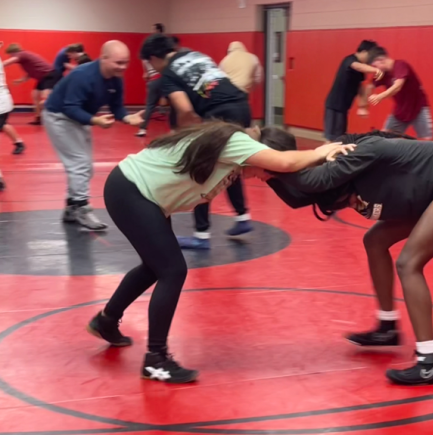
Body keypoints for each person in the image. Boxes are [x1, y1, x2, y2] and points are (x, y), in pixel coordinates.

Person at [86, 120, 353, 383]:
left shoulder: (233, 155)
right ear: (262, 151)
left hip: (141, 193)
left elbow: (289, 184)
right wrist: (320, 151)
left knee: (154, 267)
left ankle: (107, 321)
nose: (264, 177)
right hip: (131, 190)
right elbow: (283, 162)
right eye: (266, 170)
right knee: (172, 271)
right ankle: (156, 360)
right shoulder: (237, 143)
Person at [247, 130, 433, 386]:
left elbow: (316, 182)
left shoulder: (356, 152)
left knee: (409, 263)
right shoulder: (335, 160)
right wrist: (269, 173)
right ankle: (387, 329)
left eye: (267, 164)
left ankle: (429, 363)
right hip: (432, 189)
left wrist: (271, 168)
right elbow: (299, 197)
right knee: (375, 241)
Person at [140, 33, 255, 250]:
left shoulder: (169, 74)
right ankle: (242, 218)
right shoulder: (196, 55)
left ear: (154, 58)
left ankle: (201, 235)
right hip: (241, 106)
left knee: (200, 170)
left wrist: (183, 134)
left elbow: (184, 108)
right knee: (231, 163)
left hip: (218, 114)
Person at [43, 40, 144, 231]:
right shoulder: (83, 75)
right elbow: (70, 107)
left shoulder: (116, 78)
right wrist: (96, 121)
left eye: (126, 62)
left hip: (80, 118)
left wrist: (127, 117)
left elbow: (116, 106)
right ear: (103, 58)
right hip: (59, 117)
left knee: (85, 166)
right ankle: (82, 207)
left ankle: (72, 207)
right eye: (118, 63)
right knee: (79, 163)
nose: (123, 67)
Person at [367, 46, 433, 140]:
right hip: (401, 111)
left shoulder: (400, 65)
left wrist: (379, 96)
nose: (376, 70)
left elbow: (397, 86)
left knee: (427, 140)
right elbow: (370, 86)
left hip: (418, 108)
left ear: (381, 59)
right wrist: (364, 106)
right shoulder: (383, 74)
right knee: (385, 136)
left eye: (375, 66)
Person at [323, 40, 382, 142]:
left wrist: (362, 106)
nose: (371, 59)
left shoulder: (361, 71)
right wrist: (376, 70)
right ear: (364, 52)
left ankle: (335, 157)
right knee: (331, 139)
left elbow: (360, 88)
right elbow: (356, 66)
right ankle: (323, 157)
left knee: (340, 138)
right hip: (334, 106)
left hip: (343, 107)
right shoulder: (350, 59)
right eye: (371, 55)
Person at [2, 43, 60, 125]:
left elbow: (7, 62)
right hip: (42, 78)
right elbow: (31, 71)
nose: (10, 56)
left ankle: (53, 117)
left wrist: (1, 65)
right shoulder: (24, 58)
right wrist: (21, 80)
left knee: (45, 98)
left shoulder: (22, 54)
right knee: (35, 95)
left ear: (13, 52)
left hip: (50, 75)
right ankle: (39, 117)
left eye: (10, 54)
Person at [0, 41, 25, 161]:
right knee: (3, 125)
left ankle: (19, 143)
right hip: (3, 100)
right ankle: (19, 143)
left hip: (1, 101)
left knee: (2, 124)